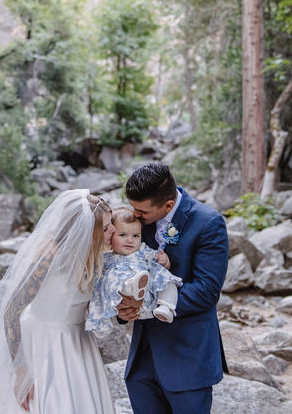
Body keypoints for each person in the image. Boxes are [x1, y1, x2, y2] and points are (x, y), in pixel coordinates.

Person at [0, 189, 117, 413]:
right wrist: (20, 370)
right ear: (88, 232)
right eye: (106, 228)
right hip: (46, 343)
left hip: (79, 341)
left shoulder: (97, 257)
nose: (114, 230)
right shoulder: (50, 258)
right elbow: (12, 310)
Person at [117, 162, 229, 414]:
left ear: (168, 206)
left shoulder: (208, 223)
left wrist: (147, 306)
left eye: (142, 212)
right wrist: (121, 308)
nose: (135, 216)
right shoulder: (137, 220)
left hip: (187, 356)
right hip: (142, 360)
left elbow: (206, 291)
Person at [86, 207, 180, 332]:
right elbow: (98, 285)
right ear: (111, 235)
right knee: (116, 280)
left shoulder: (143, 250)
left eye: (136, 235)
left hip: (149, 297)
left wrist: (165, 262)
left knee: (168, 281)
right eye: (122, 235)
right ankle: (131, 286)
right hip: (128, 301)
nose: (130, 240)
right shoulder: (107, 259)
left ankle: (166, 307)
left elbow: (157, 260)